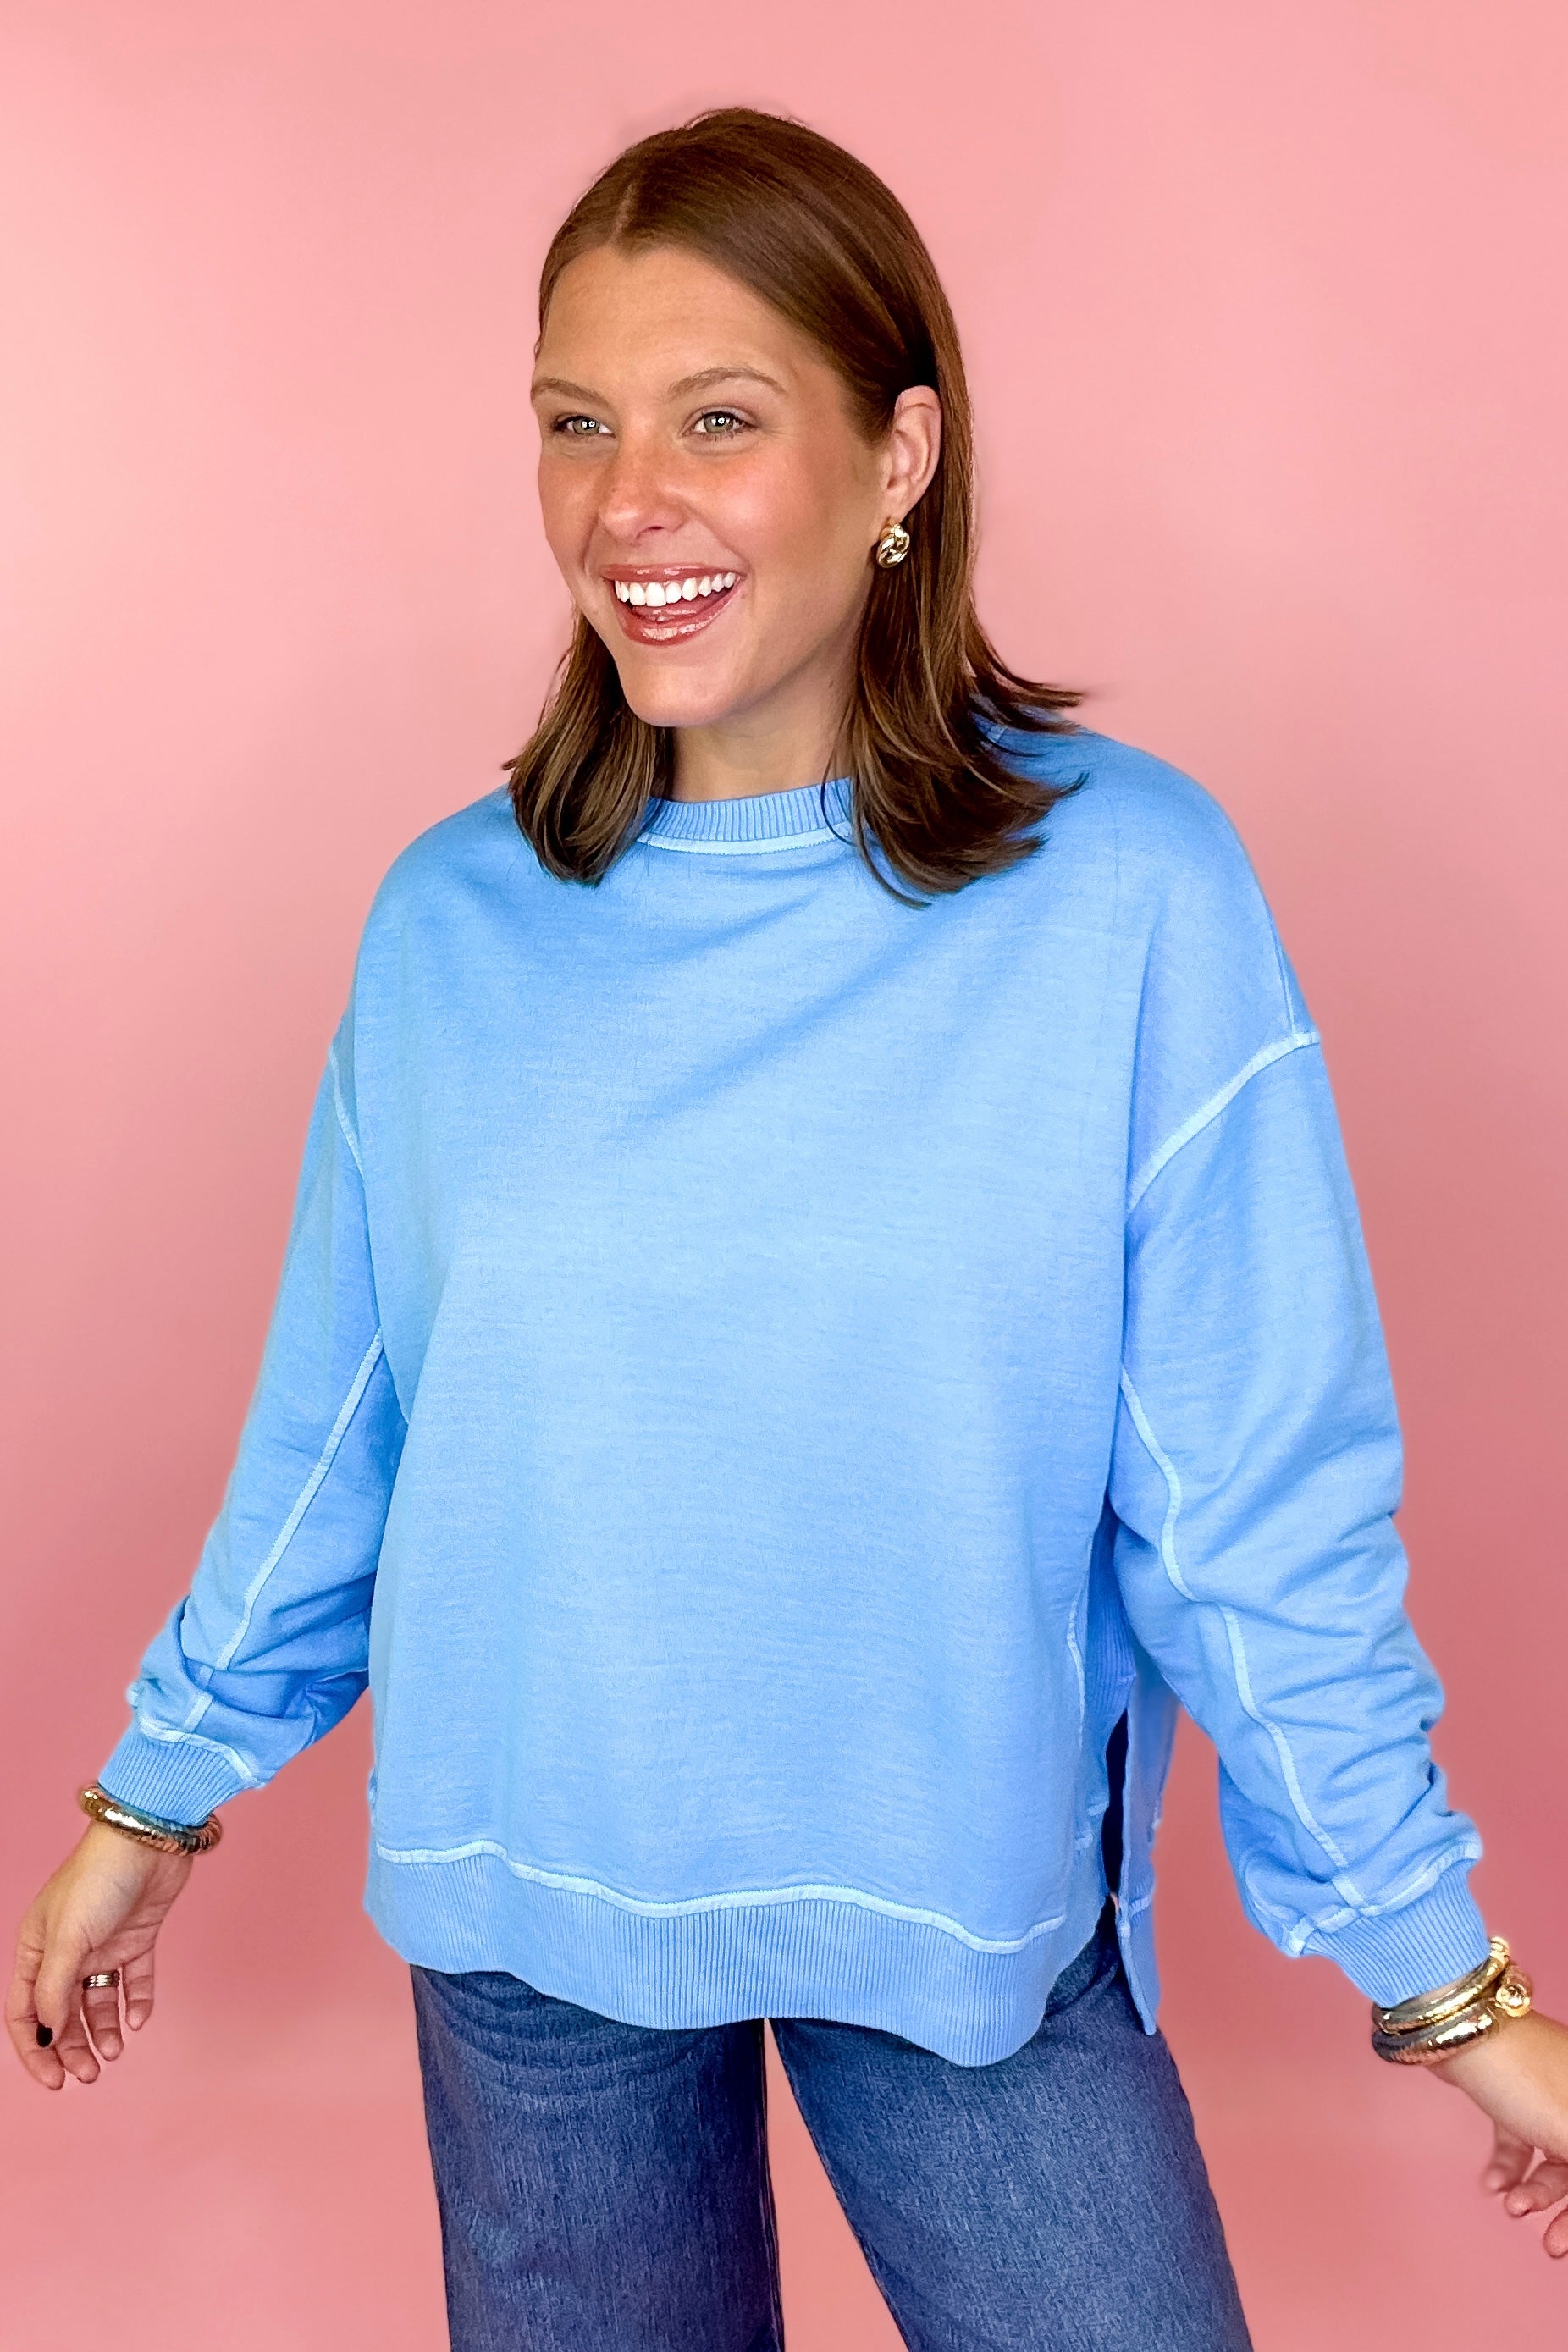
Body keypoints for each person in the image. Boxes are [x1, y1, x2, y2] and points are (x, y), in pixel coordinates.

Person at [8, 106, 1568, 2352]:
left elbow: (1251, 1500)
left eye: (717, 420)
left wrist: (1442, 1984)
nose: (624, 503)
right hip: (527, 1917)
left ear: (898, 451)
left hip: (960, 1903)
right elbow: (345, 1421)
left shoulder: (1128, 898)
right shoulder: (454, 922)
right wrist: (153, 1800)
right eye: (575, 424)